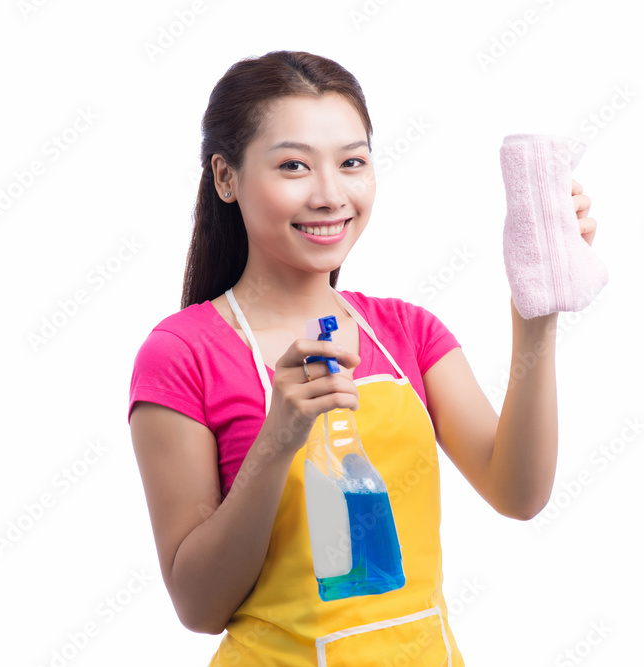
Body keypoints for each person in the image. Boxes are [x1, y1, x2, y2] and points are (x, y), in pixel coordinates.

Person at [128, 50, 598, 666]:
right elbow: (198, 606)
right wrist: (279, 440)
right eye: (293, 165)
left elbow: (518, 493)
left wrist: (536, 310)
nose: (330, 195)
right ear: (225, 177)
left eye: (352, 162)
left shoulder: (406, 332)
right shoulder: (183, 354)